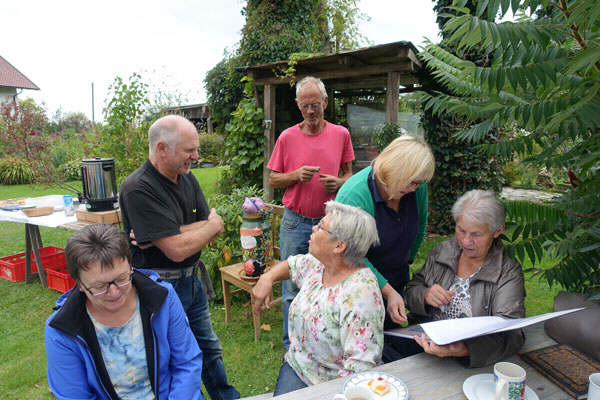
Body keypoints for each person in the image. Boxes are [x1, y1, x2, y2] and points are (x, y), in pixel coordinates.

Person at [119, 115, 239, 399]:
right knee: (172, 358)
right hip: (159, 287)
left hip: (192, 280)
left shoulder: (187, 177)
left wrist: (169, 234)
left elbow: (213, 225)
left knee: (209, 349)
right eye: (189, 150)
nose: (196, 157)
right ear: (162, 148)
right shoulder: (137, 188)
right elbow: (177, 250)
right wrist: (192, 233)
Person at [45, 224, 203, 400]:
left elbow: (186, 363)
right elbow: (74, 396)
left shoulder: (163, 297)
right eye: (99, 286)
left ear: (130, 267)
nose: (114, 292)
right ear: (80, 284)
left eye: (121, 278)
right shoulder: (62, 329)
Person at [252, 201, 384, 396]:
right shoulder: (319, 264)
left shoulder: (361, 295)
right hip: (297, 365)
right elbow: (293, 264)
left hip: (333, 384)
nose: (313, 228)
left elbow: (359, 367)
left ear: (339, 245)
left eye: (321, 226)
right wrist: (268, 277)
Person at [267, 76, 355, 348]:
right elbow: (273, 179)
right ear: (298, 105)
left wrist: (339, 183)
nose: (310, 111)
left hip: (331, 225)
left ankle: (323, 342)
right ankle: (291, 347)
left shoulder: (341, 134)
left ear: (325, 102)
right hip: (296, 222)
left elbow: (349, 175)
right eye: (304, 105)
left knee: (333, 282)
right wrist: (295, 175)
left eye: (314, 104)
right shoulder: (287, 137)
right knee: (292, 287)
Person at [335, 135, 435, 361]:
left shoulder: (416, 187)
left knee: (389, 347)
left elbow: (419, 226)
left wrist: (406, 260)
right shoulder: (354, 195)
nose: (415, 189)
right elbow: (351, 254)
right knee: (360, 349)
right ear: (393, 171)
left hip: (396, 276)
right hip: (356, 286)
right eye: (411, 182)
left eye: (419, 183)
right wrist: (387, 291)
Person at [404, 189, 526, 367]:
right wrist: (425, 295)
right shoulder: (441, 252)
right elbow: (410, 291)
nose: (466, 241)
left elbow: (512, 334)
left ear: (497, 230)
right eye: (461, 230)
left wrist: (465, 350)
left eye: (476, 234)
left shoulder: (507, 273)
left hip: (468, 364)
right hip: (420, 349)